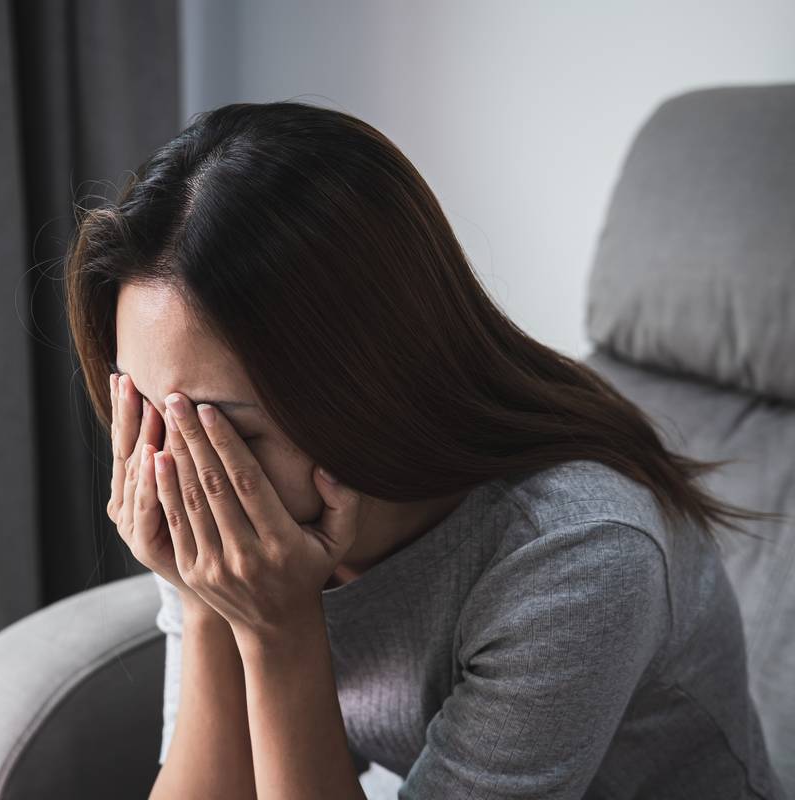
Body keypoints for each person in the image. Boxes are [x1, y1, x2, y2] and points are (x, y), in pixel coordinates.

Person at [62, 100, 789, 800]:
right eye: (148, 416)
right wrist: (204, 604)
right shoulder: (207, 502)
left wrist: (278, 631)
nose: (171, 473)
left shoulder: (580, 553)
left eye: (228, 434)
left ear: (371, 388)